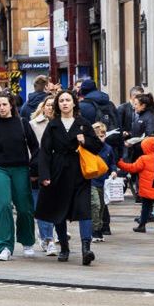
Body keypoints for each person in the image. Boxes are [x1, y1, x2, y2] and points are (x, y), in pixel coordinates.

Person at [35, 89, 102, 266]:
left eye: (68, 100)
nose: (65, 103)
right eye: (61, 100)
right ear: (58, 105)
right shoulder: (53, 125)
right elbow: (45, 152)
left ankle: (86, 248)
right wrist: (45, 175)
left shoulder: (83, 123)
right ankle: (64, 247)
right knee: (59, 211)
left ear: (74, 103)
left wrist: (85, 141)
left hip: (79, 172)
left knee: (84, 209)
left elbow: (97, 146)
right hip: (58, 171)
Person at [0, 92, 38, 260]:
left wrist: (35, 170)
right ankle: (3, 246)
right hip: (0, 170)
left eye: (4, 104)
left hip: (21, 169)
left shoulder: (22, 123)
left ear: (11, 105)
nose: (1, 108)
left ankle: (27, 241)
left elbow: (35, 148)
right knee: (3, 206)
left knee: (25, 208)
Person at [30, 95, 57, 256]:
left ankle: (48, 234)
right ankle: (48, 238)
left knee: (54, 206)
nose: (51, 108)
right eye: (48, 105)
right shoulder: (33, 125)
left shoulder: (63, 124)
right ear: (43, 106)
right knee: (40, 206)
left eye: (54, 105)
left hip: (57, 170)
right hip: (38, 171)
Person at [116, 137, 154, 232]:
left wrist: (120, 163)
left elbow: (132, 168)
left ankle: (142, 225)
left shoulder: (143, 159)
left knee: (145, 208)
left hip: (146, 190)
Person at [89, 122, 117, 242]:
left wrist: (114, 171)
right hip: (92, 181)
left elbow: (112, 163)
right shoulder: (89, 149)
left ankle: (99, 229)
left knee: (102, 207)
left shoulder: (108, 148)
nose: (101, 138)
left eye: (102, 135)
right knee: (95, 204)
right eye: (98, 136)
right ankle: (94, 230)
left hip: (104, 182)